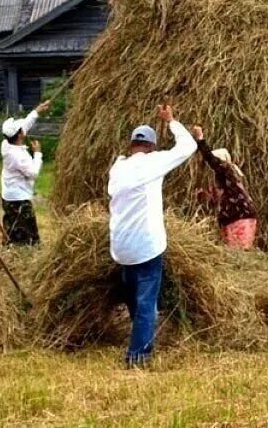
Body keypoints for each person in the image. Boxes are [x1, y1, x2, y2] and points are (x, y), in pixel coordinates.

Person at [107, 104, 197, 367]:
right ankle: (138, 356)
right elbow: (187, 147)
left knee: (135, 298)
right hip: (146, 246)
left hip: (121, 247)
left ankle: (141, 336)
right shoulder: (152, 164)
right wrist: (171, 120)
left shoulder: (118, 168)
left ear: (132, 144)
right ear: (152, 147)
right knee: (147, 303)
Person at [191, 125, 258, 249]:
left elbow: (211, 160)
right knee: (233, 252)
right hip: (233, 219)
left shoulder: (227, 171)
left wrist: (200, 139)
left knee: (239, 252)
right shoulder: (225, 180)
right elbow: (219, 202)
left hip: (239, 218)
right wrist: (204, 196)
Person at [0, 100, 51, 246]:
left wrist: (38, 110)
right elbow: (33, 173)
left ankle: (10, 246)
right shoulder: (18, 156)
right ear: (20, 135)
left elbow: (25, 125)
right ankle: (24, 250)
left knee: (12, 225)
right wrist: (38, 154)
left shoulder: (6, 144)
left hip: (9, 194)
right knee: (27, 230)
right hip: (19, 198)